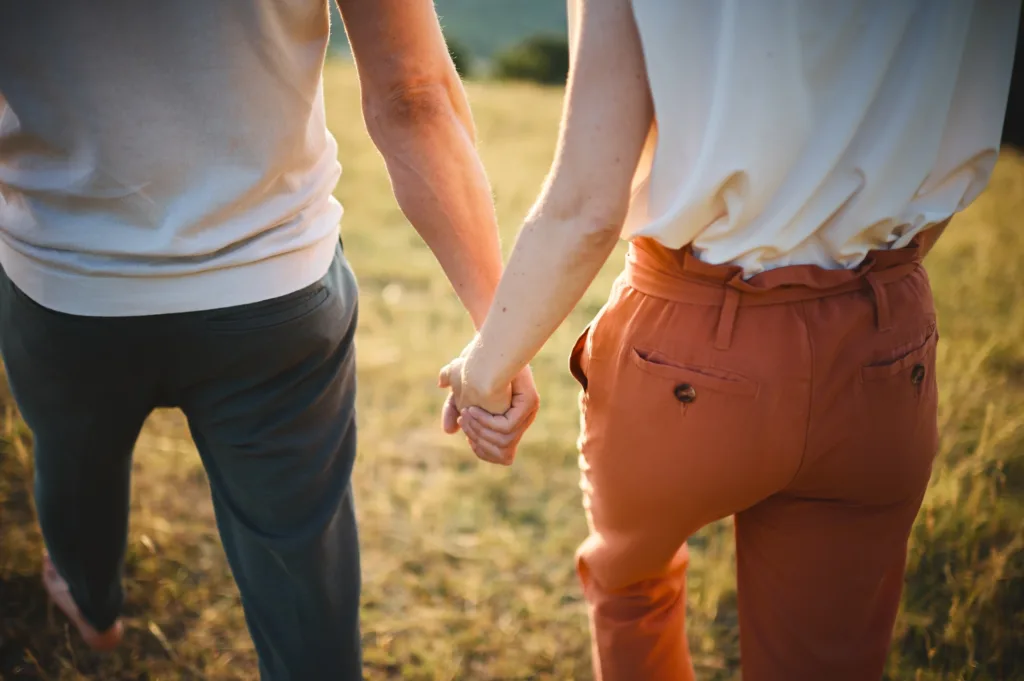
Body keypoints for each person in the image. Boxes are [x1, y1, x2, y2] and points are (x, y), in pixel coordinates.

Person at [441, 1, 1020, 679]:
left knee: (633, 589)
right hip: (881, 332)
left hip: (686, 333)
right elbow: (957, 160)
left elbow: (585, 209)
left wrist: (487, 367)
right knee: (826, 657)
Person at [0, 1, 537, 679]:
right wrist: (498, 328)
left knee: (76, 467)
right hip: (274, 287)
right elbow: (414, 96)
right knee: (301, 569)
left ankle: (91, 605)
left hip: (64, 282)